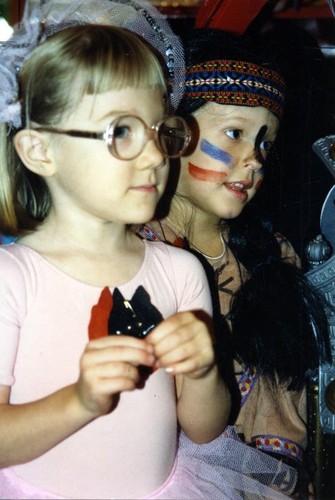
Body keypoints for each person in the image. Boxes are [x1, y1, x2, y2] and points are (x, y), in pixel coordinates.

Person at [0, 3, 233, 498]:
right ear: (40, 151)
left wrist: (205, 370)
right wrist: (81, 401)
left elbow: (204, 430)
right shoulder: (13, 278)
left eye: (160, 132)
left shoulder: (181, 271)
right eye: (121, 131)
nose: (154, 156)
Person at [139, 28, 330, 498]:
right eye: (235, 134)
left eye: (265, 142)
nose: (253, 160)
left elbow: (285, 413)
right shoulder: (132, 253)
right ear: (174, 134)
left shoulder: (271, 254)